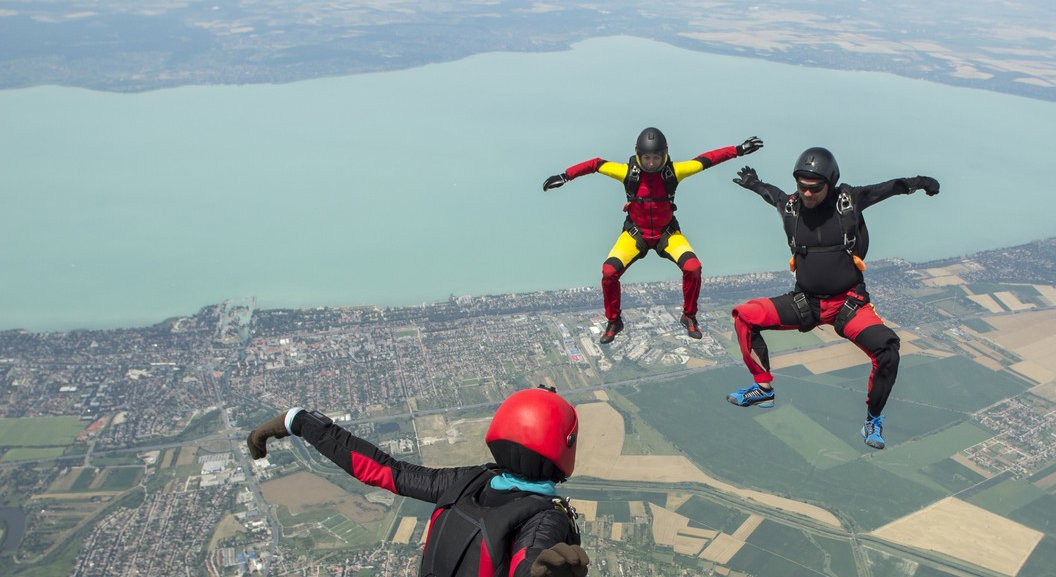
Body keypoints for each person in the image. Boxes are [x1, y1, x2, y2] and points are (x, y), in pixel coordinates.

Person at [247, 386, 590, 577]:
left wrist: (301, 422)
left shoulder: (468, 481)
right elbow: (527, 564)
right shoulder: (546, 517)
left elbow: (383, 470)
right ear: (564, 445)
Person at [728, 147, 940, 449]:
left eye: (814, 188)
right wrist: (755, 184)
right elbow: (772, 195)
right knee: (744, 315)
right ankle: (763, 388)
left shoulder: (848, 201)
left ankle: (872, 421)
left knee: (888, 350)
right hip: (806, 303)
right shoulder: (792, 206)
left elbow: (889, 188)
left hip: (849, 305)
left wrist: (920, 182)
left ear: (831, 183)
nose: (807, 193)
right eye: (802, 187)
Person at [544, 128, 763, 343]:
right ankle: (614, 321)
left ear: (664, 155)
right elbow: (596, 164)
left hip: (667, 234)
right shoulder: (627, 172)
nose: (651, 163)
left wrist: (738, 150)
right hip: (635, 234)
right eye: (646, 158)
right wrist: (565, 176)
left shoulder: (674, 172)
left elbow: (706, 160)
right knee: (608, 272)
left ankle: (689, 315)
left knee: (693, 267)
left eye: (656, 158)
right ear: (638, 155)